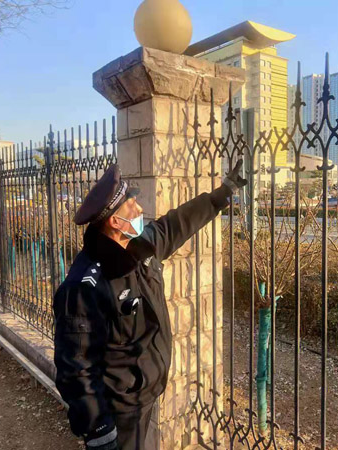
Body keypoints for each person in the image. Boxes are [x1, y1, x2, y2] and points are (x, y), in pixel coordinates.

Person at [53, 162, 247, 450]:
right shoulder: (83, 287)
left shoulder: (138, 248)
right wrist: (99, 431)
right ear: (115, 222)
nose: (140, 209)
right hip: (117, 411)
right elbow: (75, 366)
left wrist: (221, 195)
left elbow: (176, 224)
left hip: (143, 395)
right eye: (131, 205)